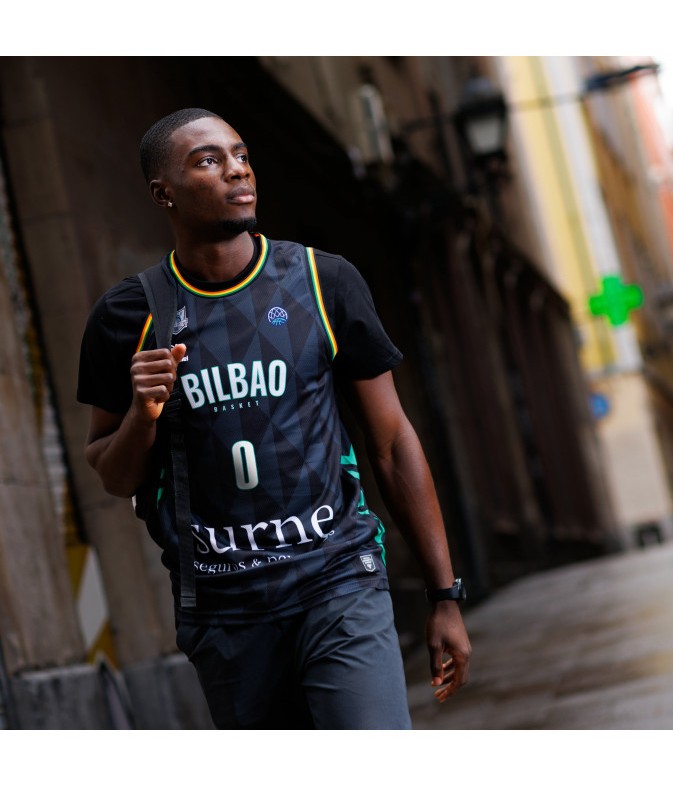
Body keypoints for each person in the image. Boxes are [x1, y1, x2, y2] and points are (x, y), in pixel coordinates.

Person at [77, 107, 471, 729]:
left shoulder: (323, 282)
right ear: (163, 193)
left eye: (241, 155)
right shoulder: (127, 316)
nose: (237, 170)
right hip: (225, 613)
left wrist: (444, 595)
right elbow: (112, 472)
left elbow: (393, 441)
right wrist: (143, 417)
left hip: (338, 581)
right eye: (208, 161)